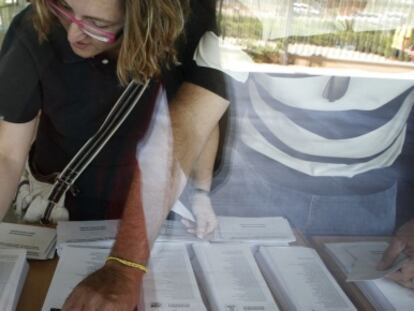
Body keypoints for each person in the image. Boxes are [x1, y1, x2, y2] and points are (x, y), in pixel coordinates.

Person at [0, 0, 228, 309]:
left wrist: (201, 194)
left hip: (142, 217)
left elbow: (197, 117)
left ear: (140, 20)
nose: (73, 35)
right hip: (58, 214)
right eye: (65, 9)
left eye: (99, 24)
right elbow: (7, 155)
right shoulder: (37, 21)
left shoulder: (183, 23)